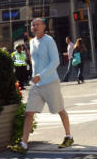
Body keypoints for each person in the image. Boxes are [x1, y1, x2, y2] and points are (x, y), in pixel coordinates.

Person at [21, 17, 74, 151]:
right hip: (36, 85)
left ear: (44, 26)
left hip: (50, 82)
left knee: (59, 109)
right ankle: (23, 144)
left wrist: (41, 75)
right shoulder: (32, 42)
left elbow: (55, 61)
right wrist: (33, 76)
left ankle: (68, 136)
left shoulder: (49, 41)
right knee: (29, 113)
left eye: (37, 24)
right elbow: (34, 62)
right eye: (33, 25)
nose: (35, 27)